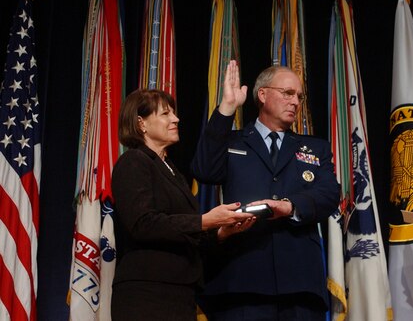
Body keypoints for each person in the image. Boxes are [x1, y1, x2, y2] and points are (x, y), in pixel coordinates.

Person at [191, 61, 340, 321]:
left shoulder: (315, 148)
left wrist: (289, 206)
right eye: (288, 93)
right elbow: (204, 170)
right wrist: (227, 108)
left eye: (299, 96)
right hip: (241, 281)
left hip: (299, 286)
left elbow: (328, 194)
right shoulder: (233, 141)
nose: (295, 101)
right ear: (262, 94)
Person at [111, 89, 255, 321]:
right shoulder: (133, 162)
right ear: (141, 123)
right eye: (166, 114)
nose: (176, 119)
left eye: (174, 114)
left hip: (180, 294)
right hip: (147, 295)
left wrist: (220, 232)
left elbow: (183, 235)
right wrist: (205, 220)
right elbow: (143, 224)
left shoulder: (172, 171)